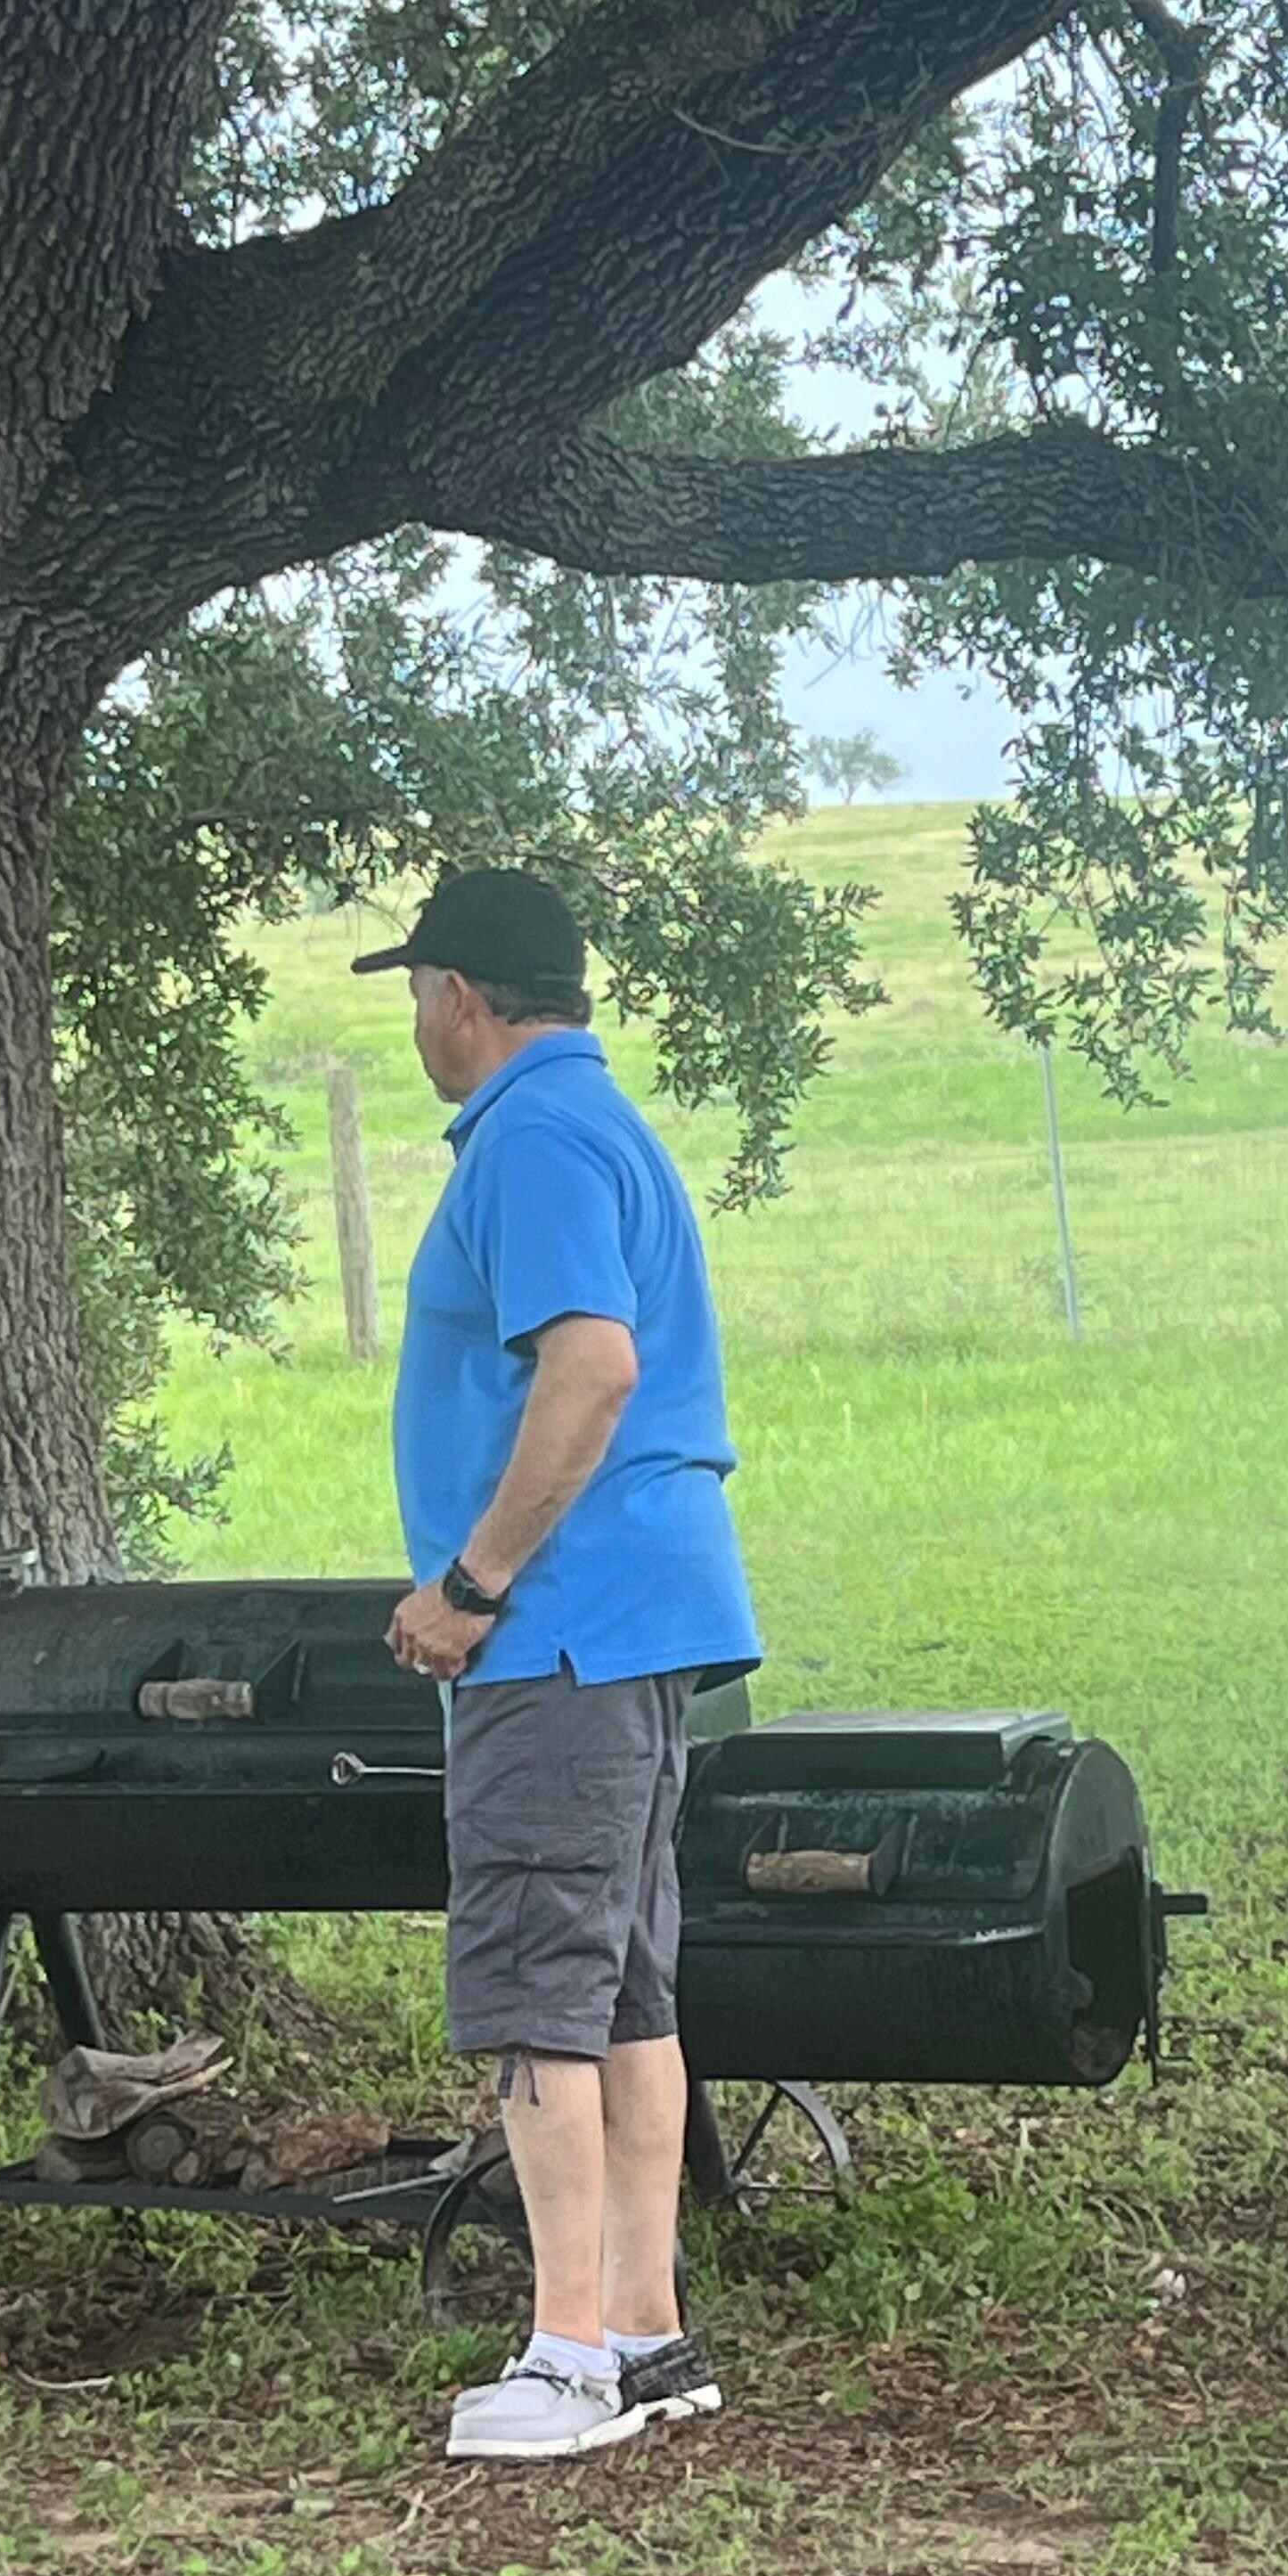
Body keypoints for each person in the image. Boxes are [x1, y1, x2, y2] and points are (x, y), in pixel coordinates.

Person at [353, 866, 760, 2463]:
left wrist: (473, 1580)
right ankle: (648, 2336)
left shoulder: (526, 1138)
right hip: (648, 1617)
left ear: (461, 995)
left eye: (417, 992)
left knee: (538, 1976)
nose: (415, 1024)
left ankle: (569, 2356)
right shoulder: (600, 1123)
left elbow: (591, 1367)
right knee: (628, 1985)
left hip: (564, 1625)